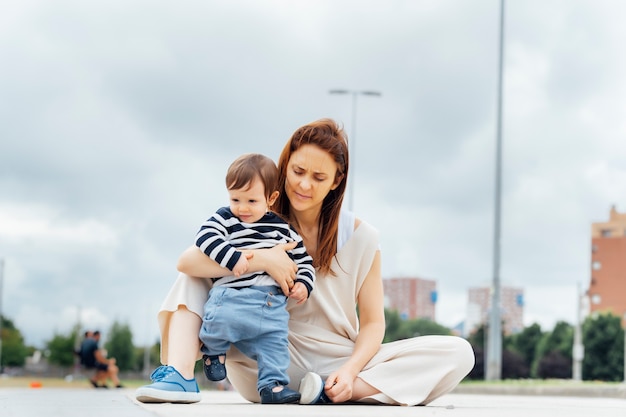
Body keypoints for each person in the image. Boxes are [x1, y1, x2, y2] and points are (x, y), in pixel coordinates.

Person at [135, 118, 475, 405]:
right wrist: (265, 259)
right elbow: (187, 261)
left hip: (335, 359)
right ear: (285, 166)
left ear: (337, 181)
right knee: (197, 273)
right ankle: (179, 377)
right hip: (268, 353)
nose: (303, 184)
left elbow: (373, 324)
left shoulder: (363, 237)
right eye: (297, 171)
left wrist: (351, 370)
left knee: (459, 352)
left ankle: (335, 393)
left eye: (318, 177)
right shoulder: (255, 216)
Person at [195, 153, 315, 404]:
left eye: (251, 200)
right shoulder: (225, 218)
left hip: (271, 305)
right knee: (218, 320)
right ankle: (214, 351)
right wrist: (233, 257)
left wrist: (304, 283)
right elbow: (204, 238)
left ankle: (272, 385)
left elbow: (304, 261)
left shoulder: (283, 230)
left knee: (275, 345)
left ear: (271, 199)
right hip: (232, 296)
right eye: (235, 198)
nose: (242, 207)